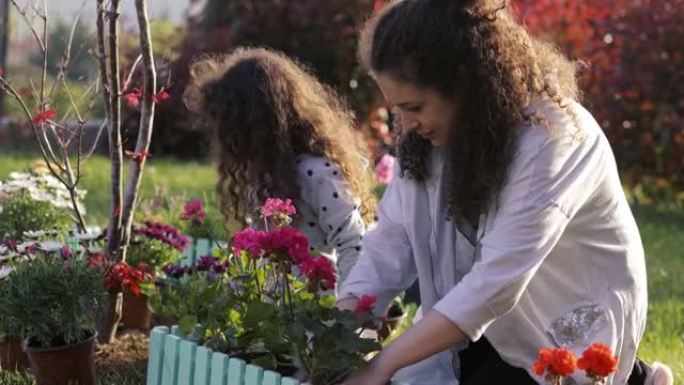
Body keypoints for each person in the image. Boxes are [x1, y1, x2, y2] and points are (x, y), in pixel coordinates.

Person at [337, 0, 673, 384]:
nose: (407, 124)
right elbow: (389, 245)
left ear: (463, 81)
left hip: (553, 318)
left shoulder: (551, 137)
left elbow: (496, 283)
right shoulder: (429, 139)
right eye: (397, 108)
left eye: (414, 107)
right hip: (484, 321)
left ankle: (636, 379)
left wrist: (383, 363)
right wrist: (336, 339)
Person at [183, 47, 375, 286]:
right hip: (278, 315)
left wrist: (347, 312)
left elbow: (354, 243)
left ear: (258, 124)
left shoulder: (317, 173)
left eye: (231, 127)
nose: (226, 140)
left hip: (316, 313)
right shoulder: (265, 176)